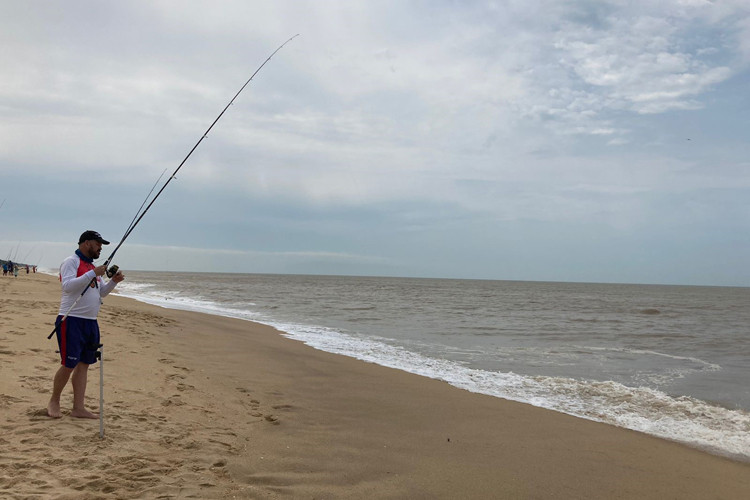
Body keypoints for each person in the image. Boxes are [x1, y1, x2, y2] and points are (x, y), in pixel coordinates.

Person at [47, 230, 125, 419]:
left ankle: (78, 408)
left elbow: (100, 293)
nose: (100, 248)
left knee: (84, 364)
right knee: (69, 363)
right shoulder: (71, 262)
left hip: (91, 322)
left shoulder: (93, 267)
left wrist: (113, 282)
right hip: (71, 320)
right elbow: (67, 286)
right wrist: (92, 273)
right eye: (98, 244)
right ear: (87, 243)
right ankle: (54, 400)